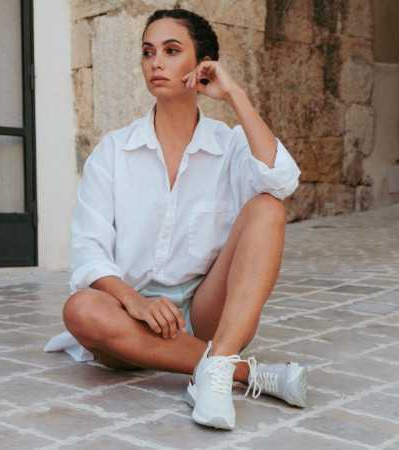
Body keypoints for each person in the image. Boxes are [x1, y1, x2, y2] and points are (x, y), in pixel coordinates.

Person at [61, 8, 306, 430]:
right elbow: (88, 249)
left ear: (203, 65)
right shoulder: (114, 151)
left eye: (171, 51)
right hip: (129, 316)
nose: (155, 62)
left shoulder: (228, 146)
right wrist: (135, 302)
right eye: (147, 52)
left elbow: (282, 180)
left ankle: (218, 360)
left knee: (268, 207)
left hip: (205, 314)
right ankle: (239, 372)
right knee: (81, 309)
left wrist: (235, 95)